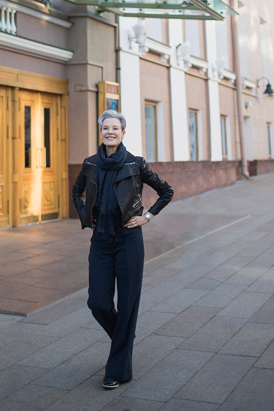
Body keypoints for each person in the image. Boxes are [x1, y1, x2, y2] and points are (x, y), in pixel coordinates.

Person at [72, 109, 174, 390]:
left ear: (123, 133)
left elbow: (166, 191)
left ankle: (116, 371)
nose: (110, 132)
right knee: (98, 303)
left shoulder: (135, 164)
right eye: (106, 128)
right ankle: (125, 336)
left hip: (129, 241)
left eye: (115, 128)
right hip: (101, 242)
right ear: (101, 131)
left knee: (128, 304)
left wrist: (147, 216)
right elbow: (75, 192)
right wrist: (85, 216)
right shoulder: (90, 164)